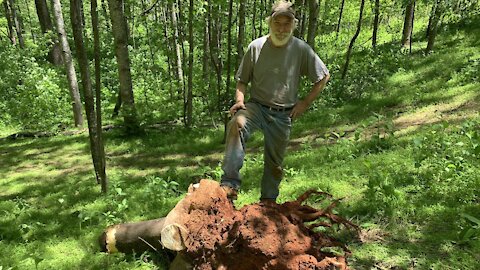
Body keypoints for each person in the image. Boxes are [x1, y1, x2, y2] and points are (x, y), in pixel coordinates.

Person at [220, 0, 330, 203]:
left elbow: (323, 77)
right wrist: (239, 100)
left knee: (275, 164)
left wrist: (304, 103)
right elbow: (242, 79)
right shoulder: (256, 47)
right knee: (237, 123)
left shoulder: (300, 49)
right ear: (269, 23)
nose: (281, 29)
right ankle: (229, 185)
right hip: (256, 106)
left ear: (293, 24)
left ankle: (268, 203)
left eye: (286, 24)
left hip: (283, 113)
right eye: (277, 23)